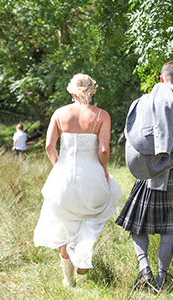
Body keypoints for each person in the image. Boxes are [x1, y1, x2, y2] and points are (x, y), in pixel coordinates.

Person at [115, 60, 173, 291]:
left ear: (161, 79)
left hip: (149, 172)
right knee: (170, 227)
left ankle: (143, 268)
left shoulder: (142, 103)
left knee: (138, 225)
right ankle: (160, 280)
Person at [33, 73, 122, 287]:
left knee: (65, 224)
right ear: (92, 91)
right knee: (93, 216)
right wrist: (104, 170)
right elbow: (103, 149)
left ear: (72, 92)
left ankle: (68, 280)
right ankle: (82, 252)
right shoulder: (102, 115)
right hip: (91, 173)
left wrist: (58, 166)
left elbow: (48, 146)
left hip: (62, 175)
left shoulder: (59, 113)